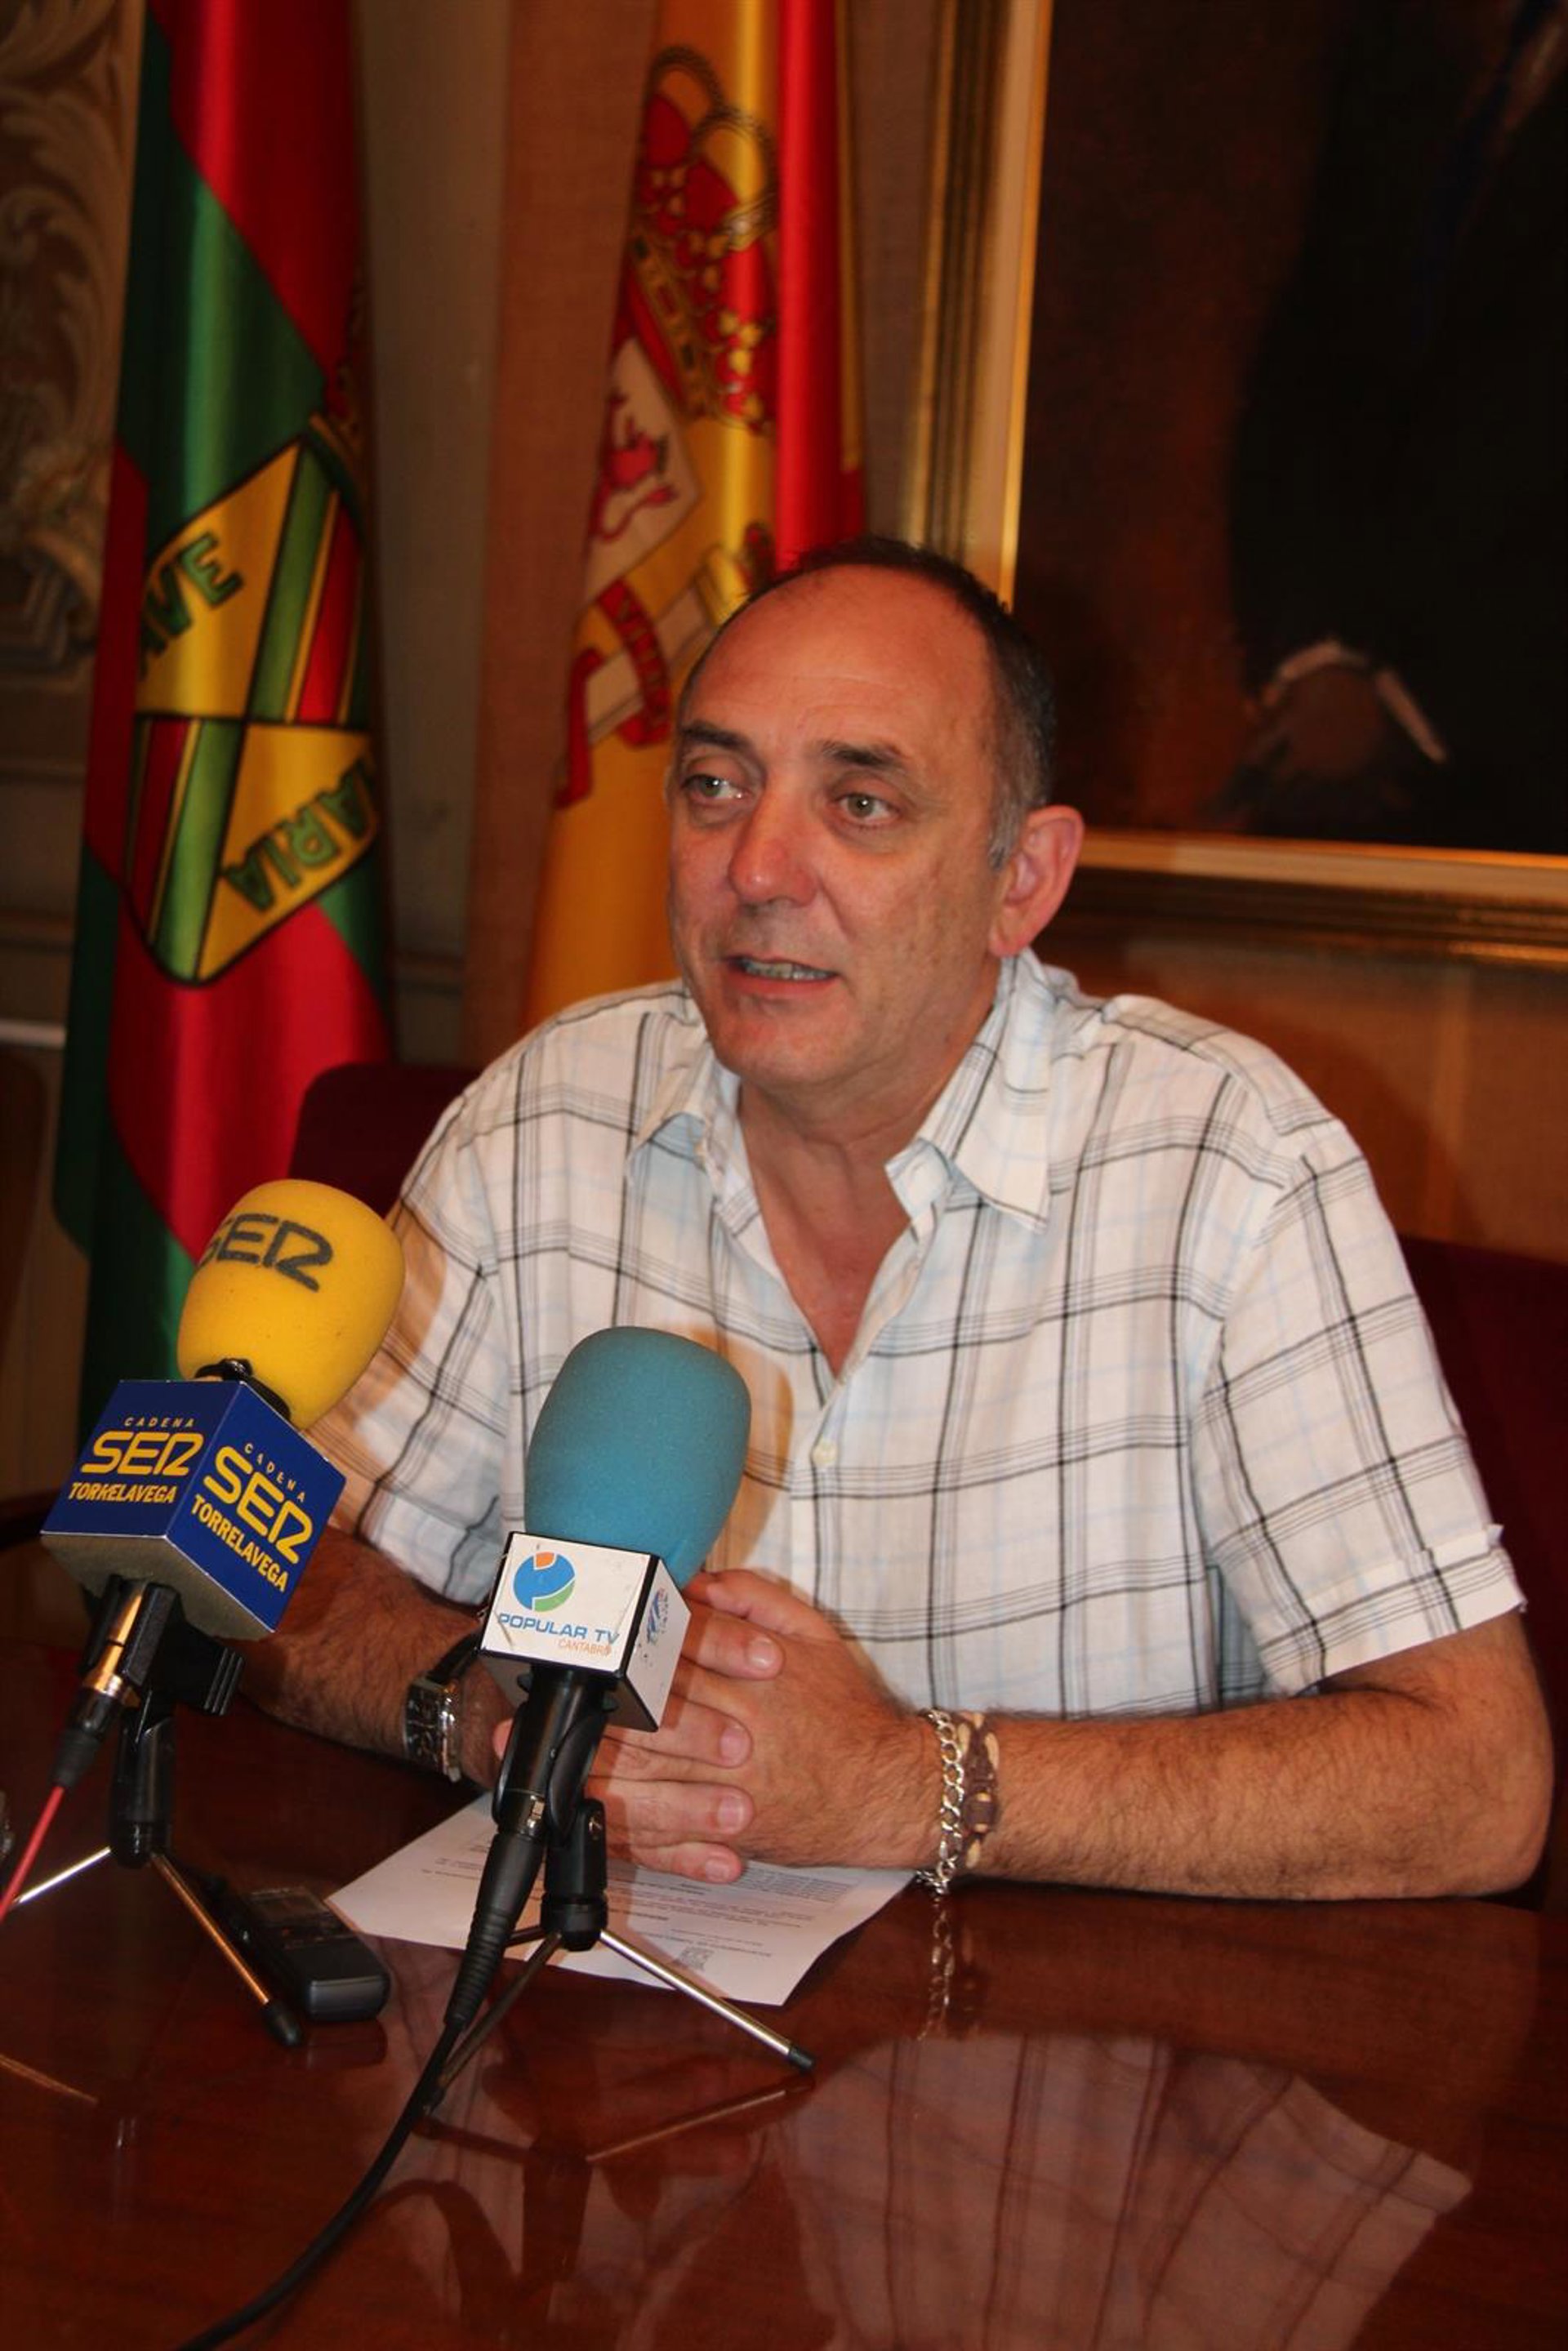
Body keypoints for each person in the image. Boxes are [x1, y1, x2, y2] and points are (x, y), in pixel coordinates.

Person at [247, 538, 1551, 1899]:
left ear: (1021, 881)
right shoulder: (546, 1120)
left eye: (860, 803)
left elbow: (1477, 1784)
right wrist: (476, 1713)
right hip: (579, 1997)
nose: (758, 867)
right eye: (715, 785)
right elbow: (276, 1565)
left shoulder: (1228, 1167)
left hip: (1050, 2023)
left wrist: (903, 1785)